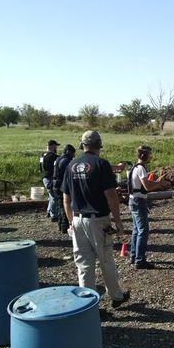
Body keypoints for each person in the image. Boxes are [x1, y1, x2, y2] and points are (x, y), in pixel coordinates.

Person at [61, 130, 129, 310]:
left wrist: (70, 222)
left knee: (83, 264)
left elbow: (66, 199)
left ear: (82, 145)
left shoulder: (71, 165)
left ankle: (88, 305)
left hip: (77, 219)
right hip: (98, 219)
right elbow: (111, 196)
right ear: (99, 145)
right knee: (106, 259)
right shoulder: (101, 164)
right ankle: (116, 296)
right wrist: (118, 221)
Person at [127, 145, 170, 269]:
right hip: (138, 201)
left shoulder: (135, 167)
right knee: (142, 231)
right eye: (149, 154)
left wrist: (157, 183)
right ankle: (140, 260)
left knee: (136, 230)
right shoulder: (141, 169)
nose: (151, 157)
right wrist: (160, 183)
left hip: (133, 200)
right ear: (143, 155)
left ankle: (134, 256)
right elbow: (147, 187)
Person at [52, 144, 76, 233]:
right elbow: (70, 174)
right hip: (61, 185)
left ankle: (60, 224)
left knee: (59, 205)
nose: (73, 156)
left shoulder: (58, 159)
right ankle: (64, 226)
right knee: (64, 205)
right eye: (73, 153)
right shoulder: (66, 161)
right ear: (69, 152)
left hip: (55, 184)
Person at [40, 140, 60, 221]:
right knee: (54, 197)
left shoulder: (42, 155)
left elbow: (41, 168)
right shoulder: (54, 156)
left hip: (44, 177)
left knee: (51, 195)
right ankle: (53, 215)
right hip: (50, 178)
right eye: (56, 146)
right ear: (52, 146)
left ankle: (49, 211)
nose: (56, 148)